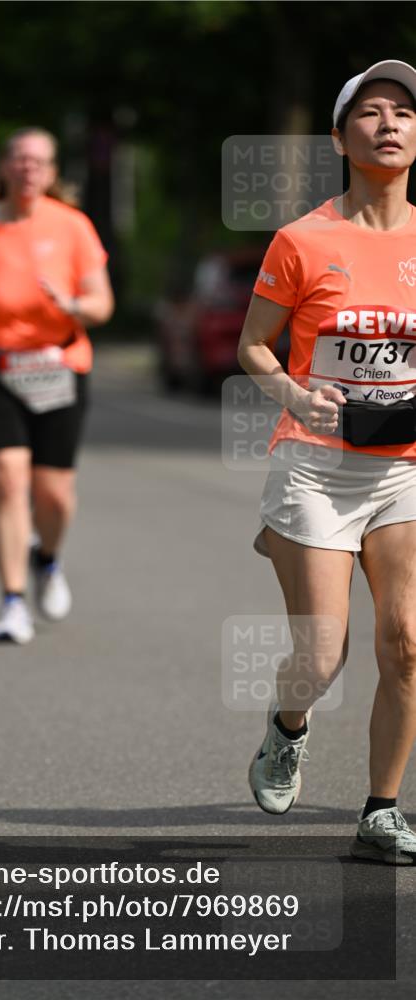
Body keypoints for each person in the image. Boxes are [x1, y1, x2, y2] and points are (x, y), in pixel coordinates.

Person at [238, 60, 416, 864]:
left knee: (407, 642)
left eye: (403, 113)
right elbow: (252, 347)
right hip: (314, 463)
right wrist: (292, 394)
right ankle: (287, 726)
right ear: (341, 137)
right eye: (371, 112)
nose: (389, 123)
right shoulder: (302, 239)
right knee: (320, 653)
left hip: (403, 465)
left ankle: (380, 809)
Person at [0, 126, 114, 643]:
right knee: (7, 477)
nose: (27, 168)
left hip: (59, 364)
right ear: (3, 166)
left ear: (53, 172)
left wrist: (73, 306)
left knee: (54, 494)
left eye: (39, 161)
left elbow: (102, 304)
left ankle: (48, 559)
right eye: (18, 158)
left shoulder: (73, 227)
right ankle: (12, 600)